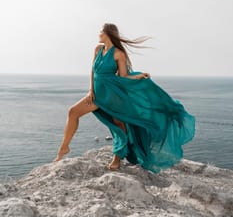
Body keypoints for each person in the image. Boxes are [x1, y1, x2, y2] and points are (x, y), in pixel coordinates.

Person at [53, 23, 196, 173]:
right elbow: (93, 71)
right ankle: (65, 147)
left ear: (108, 33)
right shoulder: (98, 49)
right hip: (97, 94)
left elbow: (123, 77)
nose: (98, 35)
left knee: (119, 126)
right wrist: (90, 89)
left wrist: (139, 76)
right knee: (73, 112)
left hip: (113, 95)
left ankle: (117, 159)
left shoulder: (118, 54)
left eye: (100, 32)